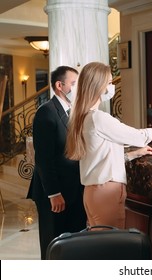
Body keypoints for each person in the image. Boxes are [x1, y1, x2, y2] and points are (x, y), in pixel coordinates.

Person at [65, 62, 152, 229]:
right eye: (110, 83)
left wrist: (133, 155)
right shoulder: (99, 118)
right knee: (111, 248)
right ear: (99, 86)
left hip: (92, 193)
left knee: (98, 246)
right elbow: (139, 136)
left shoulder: (83, 117)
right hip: (107, 192)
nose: (112, 87)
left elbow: (100, 156)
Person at [27, 66, 87, 259]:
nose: (77, 88)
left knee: (74, 244)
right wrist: (54, 193)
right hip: (54, 193)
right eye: (74, 83)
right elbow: (43, 158)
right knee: (54, 246)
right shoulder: (46, 112)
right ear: (59, 86)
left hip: (74, 189)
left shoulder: (72, 111)